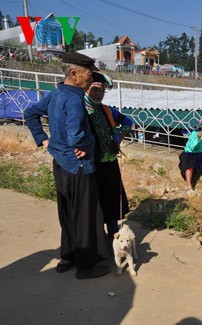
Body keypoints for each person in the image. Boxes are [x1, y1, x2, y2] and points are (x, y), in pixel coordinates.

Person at [24, 52, 110, 279]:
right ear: (74, 73)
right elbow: (76, 135)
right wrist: (87, 144)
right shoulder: (74, 99)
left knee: (67, 212)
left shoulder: (56, 93)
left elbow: (30, 112)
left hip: (61, 164)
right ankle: (86, 267)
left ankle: (67, 257)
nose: (91, 79)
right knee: (85, 216)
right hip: (79, 166)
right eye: (89, 74)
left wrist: (43, 139)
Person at [85, 72, 133, 239]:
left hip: (109, 160)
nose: (98, 94)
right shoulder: (82, 109)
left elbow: (127, 122)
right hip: (91, 163)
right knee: (95, 200)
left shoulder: (107, 110)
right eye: (94, 90)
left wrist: (118, 138)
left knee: (111, 198)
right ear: (87, 89)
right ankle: (97, 236)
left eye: (101, 90)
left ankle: (113, 234)